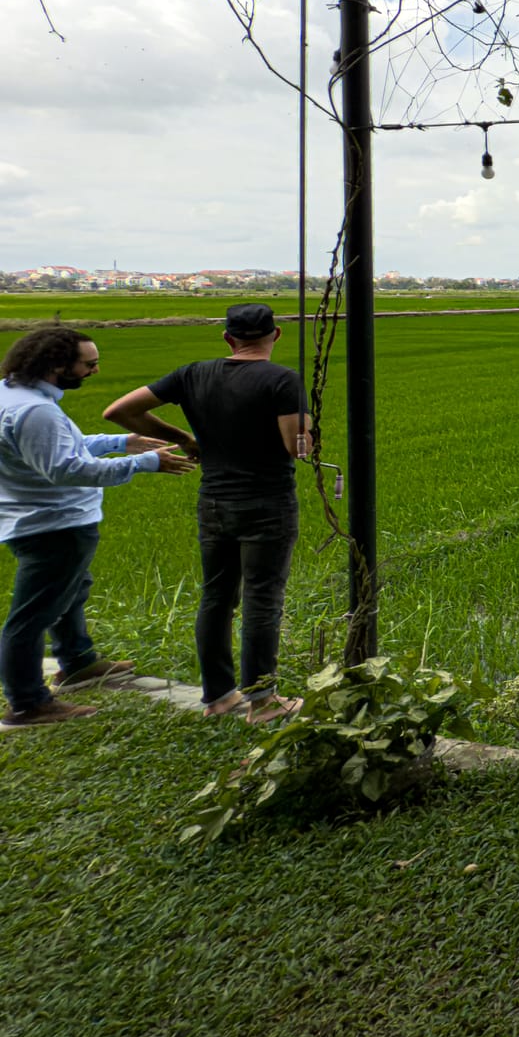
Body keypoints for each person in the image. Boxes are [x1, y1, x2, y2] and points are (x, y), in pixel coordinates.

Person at [105, 304, 310, 726]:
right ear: (276, 335)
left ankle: (218, 695)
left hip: (214, 502)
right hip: (267, 504)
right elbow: (297, 447)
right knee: (261, 600)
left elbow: (119, 410)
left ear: (227, 338)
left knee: (217, 596)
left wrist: (184, 437)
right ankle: (264, 702)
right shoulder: (282, 379)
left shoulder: (191, 374)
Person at [0, 326, 194, 729]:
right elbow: (64, 468)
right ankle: (27, 704)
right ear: (56, 364)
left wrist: (119, 443)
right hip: (53, 524)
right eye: (88, 364)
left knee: (70, 592)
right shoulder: (34, 410)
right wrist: (145, 463)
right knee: (32, 615)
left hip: (36, 518)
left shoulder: (15, 395)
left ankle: (77, 662)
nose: (95, 370)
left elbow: (52, 448)